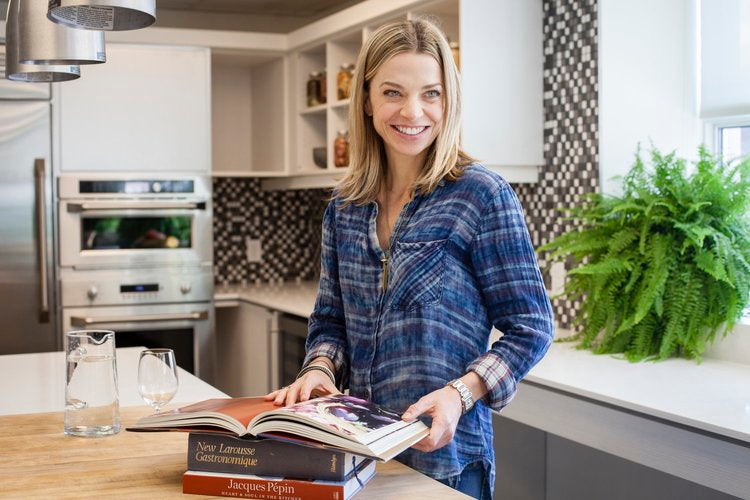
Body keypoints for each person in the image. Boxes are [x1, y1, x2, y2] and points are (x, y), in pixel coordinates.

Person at [265, 18, 554, 500]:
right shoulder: (345, 206)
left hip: (445, 458)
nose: (413, 111)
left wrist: (460, 394)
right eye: (393, 92)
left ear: (449, 100)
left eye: (431, 94)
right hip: (354, 456)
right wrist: (318, 368)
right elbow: (332, 319)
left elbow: (532, 326)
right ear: (367, 101)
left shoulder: (479, 195)